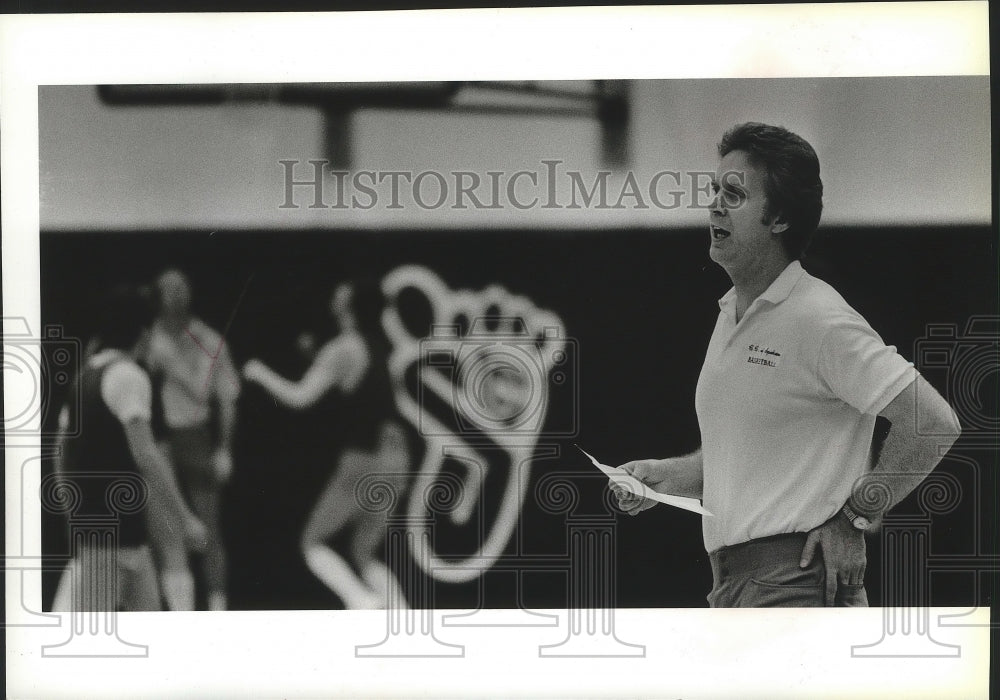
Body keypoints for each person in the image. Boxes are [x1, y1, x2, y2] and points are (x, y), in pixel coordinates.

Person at [613, 122, 962, 607]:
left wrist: (854, 517)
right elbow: (753, 459)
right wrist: (665, 475)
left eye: (734, 193)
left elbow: (934, 423)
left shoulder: (818, 317)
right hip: (733, 587)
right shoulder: (732, 314)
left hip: (795, 584)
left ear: (778, 219)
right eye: (715, 188)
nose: (714, 203)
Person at [242, 279, 411, 609]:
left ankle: (361, 603)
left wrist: (258, 372)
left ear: (348, 307)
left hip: (364, 457)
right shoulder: (384, 345)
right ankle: (401, 611)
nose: (334, 295)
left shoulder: (343, 348)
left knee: (313, 542)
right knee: (363, 551)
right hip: (399, 459)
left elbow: (300, 397)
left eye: (341, 294)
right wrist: (312, 353)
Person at [52, 285, 205, 612]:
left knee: (148, 637)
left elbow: (60, 451)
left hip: (123, 537)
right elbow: (147, 455)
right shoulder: (128, 375)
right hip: (107, 537)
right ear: (143, 334)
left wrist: (72, 512)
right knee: (93, 643)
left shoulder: (86, 375)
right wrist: (185, 517)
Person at [146, 268, 240, 611]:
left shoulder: (209, 340)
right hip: (157, 440)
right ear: (158, 294)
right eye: (168, 289)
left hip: (196, 438)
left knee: (209, 527)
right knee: (166, 530)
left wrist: (225, 449)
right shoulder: (146, 340)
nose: (175, 295)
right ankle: (178, 612)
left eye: (181, 287)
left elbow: (224, 397)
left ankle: (217, 611)